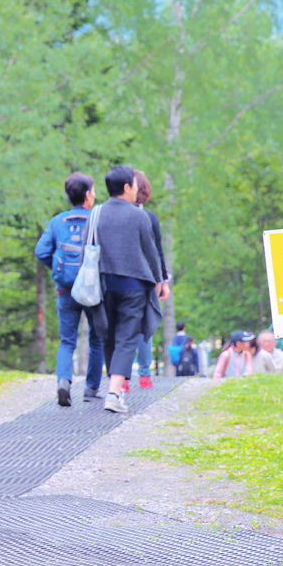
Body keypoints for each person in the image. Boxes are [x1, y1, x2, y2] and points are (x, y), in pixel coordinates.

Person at [97, 165, 165, 413]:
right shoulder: (139, 216)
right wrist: (159, 281)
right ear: (126, 187)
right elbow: (150, 252)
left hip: (104, 285)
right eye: (134, 185)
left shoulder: (97, 214)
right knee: (127, 338)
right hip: (134, 285)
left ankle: (113, 387)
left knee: (109, 336)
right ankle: (114, 392)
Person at [34, 172, 106, 406]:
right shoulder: (97, 219)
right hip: (92, 289)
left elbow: (41, 251)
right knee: (96, 339)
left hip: (65, 289)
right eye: (93, 190)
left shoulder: (58, 222)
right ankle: (92, 388)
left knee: (67, 341)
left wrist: (57, 269)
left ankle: (63, 382)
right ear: (87, 195)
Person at [131, 170, 171, 388]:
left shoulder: (116, 216)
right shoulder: (149, 217)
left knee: (124, 327)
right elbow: (157, 251)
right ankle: (145, 375)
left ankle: (123, 376)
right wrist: (162, 280)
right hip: (147, 278)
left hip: (123, 277)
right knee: (145, 326)